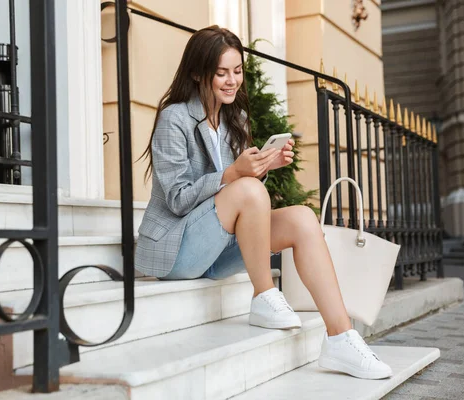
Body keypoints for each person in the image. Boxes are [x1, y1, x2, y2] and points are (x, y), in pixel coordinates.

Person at [135, 25, 392, 380]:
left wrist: (263, 166)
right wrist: (234, 175)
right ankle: (264, 294)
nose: (231, 81)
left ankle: (340, 337)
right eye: (221, 72)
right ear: (197, 72)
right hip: (177, 249)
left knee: (303, 217)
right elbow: (178, 199)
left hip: (217, 244)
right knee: (249, 190)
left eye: (237, 71)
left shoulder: (234, 118)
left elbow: (241, 192)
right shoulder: (174, 118)